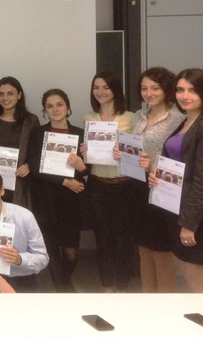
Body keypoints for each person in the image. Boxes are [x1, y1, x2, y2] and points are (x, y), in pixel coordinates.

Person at [113, 68, 185, 293]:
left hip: (160, 187)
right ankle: (148, 300)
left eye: (155, 88)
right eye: (144, 88)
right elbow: (133, 147)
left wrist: (152, 166)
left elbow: (178, 159)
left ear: (166, 89)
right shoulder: (138, 115)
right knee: (143, 248)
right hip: (135, 186)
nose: (149, 93)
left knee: (161, 250)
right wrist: (120, 153)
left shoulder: (178, 119)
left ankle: (165, 305)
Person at [27, 89, 88, 292]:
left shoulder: (80, 134)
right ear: (44, 111)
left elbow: (88, 170)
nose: (55, 109)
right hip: (45, 200)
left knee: (71, 253)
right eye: (50, 106)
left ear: (68, 107)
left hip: (71, 202)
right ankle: (65, 291)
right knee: (51, 251)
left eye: (59, 104)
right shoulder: (38, 132)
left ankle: (63, 284)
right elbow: (35, 167)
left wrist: (82, 168)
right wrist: (64, 181)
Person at [149, 68, 203, 293]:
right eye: (180, 90)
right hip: (176, 208)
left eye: (192, 90)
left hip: (193, 217)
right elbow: (176, 165)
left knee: (194, 280)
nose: (185, 96)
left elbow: (201, 180)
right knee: (189, 275)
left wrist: (189, 224)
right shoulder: (185, 122)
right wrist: (158, 177)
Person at [80, 71, 135, 293]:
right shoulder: (89, 118)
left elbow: (136, 154)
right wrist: (85, 151)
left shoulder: (131, 118)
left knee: (123, 238)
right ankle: (107, 287)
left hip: (123, 185)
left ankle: (122, 287)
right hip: (97, 185)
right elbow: (88, 159)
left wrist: (125, 153)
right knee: (102, 238)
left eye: (105, 87)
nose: (100, 92)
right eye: (96, 87)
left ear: (115, 90)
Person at [0, 77, 39, 206]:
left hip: (22, 184)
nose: (5, 98)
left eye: (10, 93)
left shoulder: (31, 121)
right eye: (1, 94)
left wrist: (29, 165)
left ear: (19, 95)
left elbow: (37, 152)